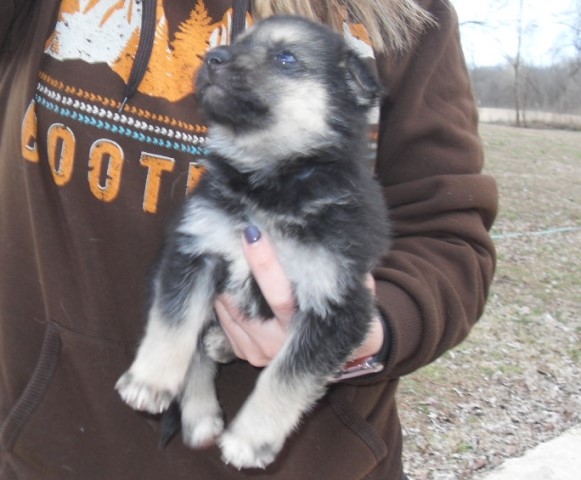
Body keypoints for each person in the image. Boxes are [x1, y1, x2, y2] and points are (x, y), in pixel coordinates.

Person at [0, 1, 497, 479]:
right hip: (51, 452)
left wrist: (364, 331)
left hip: (314, 464)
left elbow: (445, 232)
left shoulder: (408, 12)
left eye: (282, 60)